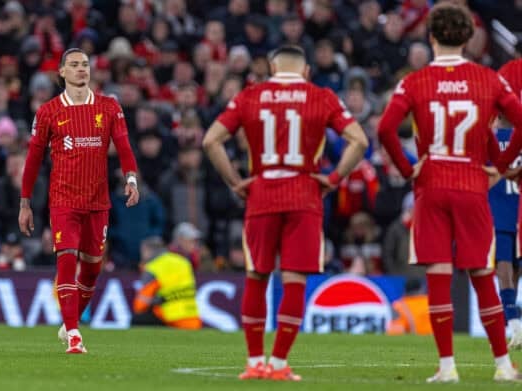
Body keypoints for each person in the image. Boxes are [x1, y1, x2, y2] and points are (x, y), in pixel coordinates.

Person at [203, 45, 368, 381]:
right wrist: (334, 179)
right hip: (304, 193)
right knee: (294, 281)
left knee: (257, 275)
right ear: (305, 71)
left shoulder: (251, 96)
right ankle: (278, 364)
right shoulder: (321, 96)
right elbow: (360, 141)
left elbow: (210, 141)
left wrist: (235, 181)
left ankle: (253, 363)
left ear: (272, 69)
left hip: (262, 193)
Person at [378, 3, 522, 383]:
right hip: (473, 186)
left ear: (431, 37)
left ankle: (446, 367)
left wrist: (409, 169)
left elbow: (385, 129)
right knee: (482, 274)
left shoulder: (415, 81)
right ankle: (504, 366)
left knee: (439, 276)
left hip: (432, 186)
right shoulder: (488, 79)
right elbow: (520, 118)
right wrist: (504, 162)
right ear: (469, 36)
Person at [18, 48, 140, 354]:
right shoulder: (48, 112)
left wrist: (131, 178)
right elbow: (33, 160)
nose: (81, 69)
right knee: (67, 260)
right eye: (73, 65)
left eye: (85, 64)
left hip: (98, 201)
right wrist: (25, 201)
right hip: (64, 199)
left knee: (92, 270)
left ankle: (68, 322)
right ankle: (74, 333)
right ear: (61, 72)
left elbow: (124, 147)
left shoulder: (109, 107)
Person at [493, 57, 522, 349]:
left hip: (501, 204)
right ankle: (512, 322)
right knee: (510, 265)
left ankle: (512, 321)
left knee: (506, 265)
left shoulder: (492, 137)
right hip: (513, 205)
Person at [132, 236, 201, 329]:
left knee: (137, 319)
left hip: (170, 318)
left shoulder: (153, 267)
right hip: (193, 319)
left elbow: (140, 305)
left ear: (147, 250)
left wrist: (156, 301)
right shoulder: (183, 262)